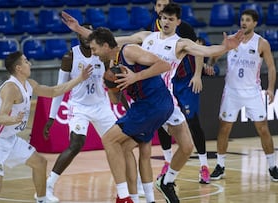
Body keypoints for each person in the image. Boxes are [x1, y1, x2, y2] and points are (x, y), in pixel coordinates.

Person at [61, 4, 243, 202]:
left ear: (178, 22)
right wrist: (79, 29)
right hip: (147, 99)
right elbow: (109, 41)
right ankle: (137, 195)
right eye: (163, 17)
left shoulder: (180, 44)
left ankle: (166, 181)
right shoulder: (146, 37)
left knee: (186, 147)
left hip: (165, 99)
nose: (165, 22)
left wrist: (225, 47)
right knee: (138, 148)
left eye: (170, 19)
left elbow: (206, 50)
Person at [0, 51, 92, 203]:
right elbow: (1, 118)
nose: (29, 63)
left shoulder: (29, 84)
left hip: (9, 138)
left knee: (40, 162)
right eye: (25, 61)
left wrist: (79, 78)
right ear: (18, 68)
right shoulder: (11, 88)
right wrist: (14, 119)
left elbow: (53, 91)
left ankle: (42, 199)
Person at [87, 26, 174, 203]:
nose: (93, 53)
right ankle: (141, 198)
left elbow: (164, 65)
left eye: (94, 49)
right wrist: (110, 86)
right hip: (150, 106)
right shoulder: (112, 65)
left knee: (109, 140)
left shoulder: (129, 51)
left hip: (153, 103)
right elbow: (115, 101)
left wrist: (136, 77)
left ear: (105, 45)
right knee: (125, 148)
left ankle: (123, 196)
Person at [38, 24, 118, 203]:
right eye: (84, 32)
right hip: (79, 107)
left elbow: (111, 82)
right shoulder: (70, 56)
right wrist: (51, 117)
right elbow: (59, 89)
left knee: (119, 144)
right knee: (76, 144)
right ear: (78, 35)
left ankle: (127, 188)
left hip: (101, 106)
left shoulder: (102, 55)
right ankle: (47, 187)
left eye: (90, 32)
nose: (87, 35)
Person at [208, 9, 278, 181]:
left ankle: (272, 166)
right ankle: (220, 165)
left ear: (254, 23)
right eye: (242, 19)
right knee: (224, 129)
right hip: (231, 91)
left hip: (253, 92)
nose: (244, 22)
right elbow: (215, 56)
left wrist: (270, 88)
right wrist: (211, 62)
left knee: (263, 129)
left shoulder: (261, 43)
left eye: (248, 20)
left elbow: (271, 67)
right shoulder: (232, 39)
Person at [150, 0, 213, 185]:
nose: (162, 8)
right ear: (156, 9)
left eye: (165, 5)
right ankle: (168, 162)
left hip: (185, 81)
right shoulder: (152, 29)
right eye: (159, 6)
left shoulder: (183, 28)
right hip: (165, 82)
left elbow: (199, 51)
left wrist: (198, 75)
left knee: (192, 121)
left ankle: (204, 166)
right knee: (161, 123)